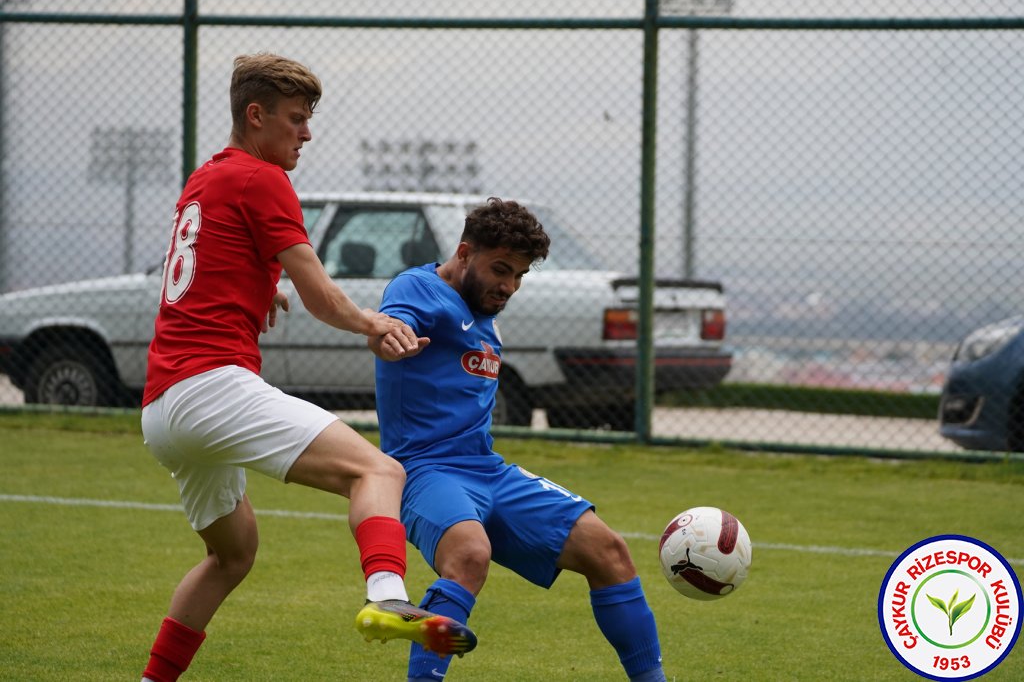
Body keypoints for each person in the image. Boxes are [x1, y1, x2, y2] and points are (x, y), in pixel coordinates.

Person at [138, 53, 474, 682]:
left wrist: (259, 286)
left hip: (162, 410)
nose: (307, 134)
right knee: (377, 469)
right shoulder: (263, 179)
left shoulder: (206, 177)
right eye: (296, 119)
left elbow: (208, 262)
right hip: (211, 387)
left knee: (232, 557)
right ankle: (386, 599)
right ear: (256, 115)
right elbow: (321, 292)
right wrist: (374, 321)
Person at [370, 197, 666, 682]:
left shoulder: (485, 312)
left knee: (608, 551)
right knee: (469, 554)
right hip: (425, 471)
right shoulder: (418, 287)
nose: (509, 286)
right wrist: (389, 336)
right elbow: (392, 325)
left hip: (487, 470)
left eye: (520, 276)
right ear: (465, 253)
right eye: (501, 270)